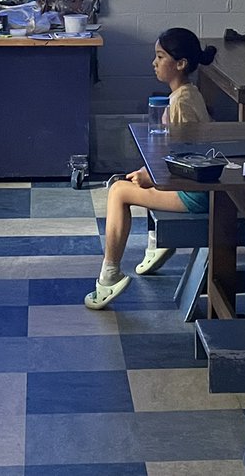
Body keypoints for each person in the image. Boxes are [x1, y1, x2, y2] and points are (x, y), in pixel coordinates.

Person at [85, 27, 216, 311]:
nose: (154, 63)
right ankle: (156, 243)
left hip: (193, 193)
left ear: (180, 64)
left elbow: (185, 160)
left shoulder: (180, 103)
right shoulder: (189, 93)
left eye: (160, 57)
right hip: (195, 184)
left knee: (119, 191)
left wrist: (152, 176)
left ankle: (109, 276)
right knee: (135, 179)